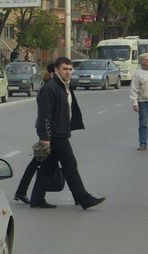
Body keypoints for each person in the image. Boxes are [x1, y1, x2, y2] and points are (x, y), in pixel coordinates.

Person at [28, 56, 104, 210]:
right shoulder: (50, 88)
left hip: (61, 132)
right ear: (56, 70)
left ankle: (36, 198)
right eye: (65, 69)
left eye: (70, 69)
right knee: (70, 164)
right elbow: (44, 115)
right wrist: (45, 138)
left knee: (48, 167)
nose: (68, 72)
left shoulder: (63, 86)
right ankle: (83, 198)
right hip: (55, 135)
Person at [13, 63, 55, 204]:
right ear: (53, 73)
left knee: (37, 162)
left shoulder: (51, 85)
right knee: (40, 161)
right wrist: (45, 135)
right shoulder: (48, 87)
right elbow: (45, 113)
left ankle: (21, 191)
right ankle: (80, 196)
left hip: (50, 130)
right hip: (48, 131)